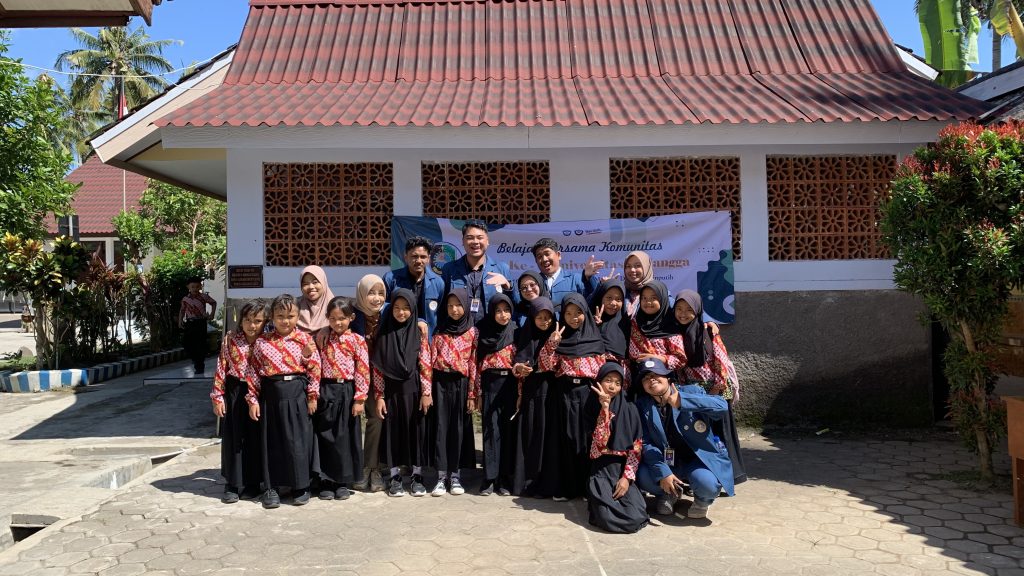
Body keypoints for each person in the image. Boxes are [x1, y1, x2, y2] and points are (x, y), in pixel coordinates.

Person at [245, 294, 321, 509]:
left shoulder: (305, 339)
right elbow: (253, 372)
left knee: (298, 440)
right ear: (272, 317)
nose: (285, 321)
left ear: (297, 316)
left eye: (290, 316)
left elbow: (315, 369)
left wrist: (312, 396)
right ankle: (272, 487)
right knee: (272, 441)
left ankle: (300, 486)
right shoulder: (262, 342)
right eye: (280, 316)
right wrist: (252, 399)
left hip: (297, 393)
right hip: (270, 395)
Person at [634, 358, 734, 520]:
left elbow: (721, 407)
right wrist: (663, 473)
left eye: (655, 374)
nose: (651, 379)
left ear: (668, 378)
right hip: (670, 460)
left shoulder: (692, 392)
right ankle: (670, 493)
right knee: (644, 475)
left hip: (699, 460)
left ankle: (702, 500)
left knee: (707, 484)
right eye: (645, 378)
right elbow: (646, 442)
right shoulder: (642, 405)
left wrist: (683, 401)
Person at [537, 292, 606, 501]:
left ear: (585, 313)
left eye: (578, 313)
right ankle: (567, 487)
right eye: (568, 313)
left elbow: (603, 372)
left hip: (589, 395)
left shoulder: (596, 341)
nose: (574, 317)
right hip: (565, 394)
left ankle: (587, 487)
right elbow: (545, 366)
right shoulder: (560, 341)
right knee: (566, 439)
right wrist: (552, 344)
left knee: (586, 440)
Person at [674, 291, 746, 485]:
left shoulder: (708, 332)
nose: (683, 314)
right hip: (692, 395)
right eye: (679, 309)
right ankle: (701, 478)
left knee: (720, 437)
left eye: (689, 310)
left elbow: (721, 362)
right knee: (700, 437)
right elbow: (679, 366)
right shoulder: (676, 334)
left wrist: (715, 390)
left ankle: (727, 477)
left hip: (715, 393)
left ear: (698, 311)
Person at [372, 289, 433, 498]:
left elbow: (425, 364)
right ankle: (395, 476)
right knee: (393, 434)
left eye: (406, 308)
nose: (401, 312)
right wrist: (379, 396)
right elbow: (378, 368)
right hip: (391, 394)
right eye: (397, 308)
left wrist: (427, 392)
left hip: (414, 391)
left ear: (413, 310)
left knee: (416, 433)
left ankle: (417, 476)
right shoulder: (383, 333)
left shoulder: (418, 334)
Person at [211, 299, 266, 504]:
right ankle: (232, 483)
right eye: (248, 320)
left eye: (258, 320)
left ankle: (253, 483)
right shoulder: (232, 340)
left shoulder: (268, 341)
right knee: (234, 436)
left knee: (255, 437)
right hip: (235, 390)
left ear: (265, 321)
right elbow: (221, 367)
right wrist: (217, 396)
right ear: (241, 321)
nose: (253, 325)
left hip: (260, 394)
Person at [315, 296, 369, 501]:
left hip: (347, 390)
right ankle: (326, 480)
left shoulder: (357, 341)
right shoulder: (323, 338)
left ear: (351, 318)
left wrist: (360, 399)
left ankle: (342, 481)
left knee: (344, 437)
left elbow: (363, 370)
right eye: (333, 318)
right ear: (327, 318)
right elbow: (314, 363)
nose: (338, 323)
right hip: (325, 389)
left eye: (343, 318)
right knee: (326, 435)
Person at [585, 362, 648, 534]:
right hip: (601, 470)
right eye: (608, 380)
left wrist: (627, 478)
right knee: (606, 517)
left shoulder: (630, 409)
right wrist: (604, 410)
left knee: (636, 514)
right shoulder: (591, 407)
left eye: (618, 383)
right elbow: (598, 446)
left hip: (622, 470)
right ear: (599, 381)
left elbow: (636, 448)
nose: (612, 386)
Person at [429, 288, 478, 496]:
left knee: (458, 428)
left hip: (461, 382)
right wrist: (427, 390)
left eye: (458, 305)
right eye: (450, 306)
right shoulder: (439, 330)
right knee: (441, 427)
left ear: (466, 306)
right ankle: (441, 476)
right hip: (440, 382)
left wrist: (472, 394)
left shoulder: (472, 332)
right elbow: (430, 361)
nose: (454, 310)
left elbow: (474, 363)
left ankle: (455, 475)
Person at [511, 296, 558, 497]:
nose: (544, 321)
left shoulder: (557, 338)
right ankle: (527, 482)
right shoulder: (525, 335)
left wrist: (554, 345)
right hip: (530, 392)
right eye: (540, 317)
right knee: (530, 435)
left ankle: (545, 483)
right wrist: (519, 368)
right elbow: (517, 363)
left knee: (547, 437)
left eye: (548, 317)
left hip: (550, 392)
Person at [475, 293, 517, 496]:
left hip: (509, 384)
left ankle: (504, 479)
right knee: (491, 431)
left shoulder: (516, 330)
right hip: (489, 384)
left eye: (506, 310)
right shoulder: (482, 331)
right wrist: (478, 393)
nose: (503, 315)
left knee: (508, 431)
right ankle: (489, 478)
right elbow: (475, 364)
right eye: (498, 311)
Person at [352, 274, 388, 493]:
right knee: (352, 422)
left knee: (376, 418)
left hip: (379, 378)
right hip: (351, 377)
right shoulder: (351, 314)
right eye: (371, 293)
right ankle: (354, 467)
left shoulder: (389, 314)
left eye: (381, 293)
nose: (376, 298)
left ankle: (372, 467)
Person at [441, 220, 513, 323]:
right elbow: (442, 304)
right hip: (459, 332)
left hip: (490, 334)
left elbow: (515, 304)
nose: (475, 242)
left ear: (487, 241)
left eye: (480, 238)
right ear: (462, 241)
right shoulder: (449, 269)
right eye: (470, 238)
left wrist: (507, 286)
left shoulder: (502, 269)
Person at [628, 280, 688, 393]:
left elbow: (681, 359)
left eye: (653, 298)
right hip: (642, 381)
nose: (648, 302)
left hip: (667, 384)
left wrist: (659, 358)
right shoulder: (636, 322)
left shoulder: (671, 325)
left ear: (662, 299)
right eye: (644, 298)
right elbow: (634, 354)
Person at [383, 236, 445, 336]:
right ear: (406, 257)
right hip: (397, 335)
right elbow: (383, 307)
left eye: (423, 257)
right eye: (414, 256)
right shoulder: (391, 279)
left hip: (427, 340)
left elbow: (441, 313)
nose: (419, 261)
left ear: (429, 258)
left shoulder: (438, 283)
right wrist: (415, 320)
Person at [530, 238, 604, 307]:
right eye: (539, 256)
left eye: (547, 254)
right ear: (536, 261)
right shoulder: (532, 284)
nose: (544, 259)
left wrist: (589, 278)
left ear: (558, 255)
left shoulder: (576, 279)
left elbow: (593, 301)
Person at [591, 279, 631, 385]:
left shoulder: (626, 323)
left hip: (619, 377)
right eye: (609, 298)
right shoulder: (590, 322)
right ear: (601, 298)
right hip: (596, 374)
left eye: (618, 299)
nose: (613, 303)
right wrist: (595, 326)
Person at [178, 276, 216, 375]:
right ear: (188, 287)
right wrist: (180, 320)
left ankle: (199, 366)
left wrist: (212, 314)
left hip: (201, 322)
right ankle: (195, 359)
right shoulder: (185, 299)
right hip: (190, 323)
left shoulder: (203, 297)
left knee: (200, 343)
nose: (195, 289)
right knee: (187, 343)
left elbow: (213, 303)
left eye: (197, 287)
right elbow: (182, 310)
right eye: (192, 287)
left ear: (200, 287)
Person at [296, 265, 334, 334]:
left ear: (323, 283)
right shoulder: (294, 306)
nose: (311, 287)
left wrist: (329, 328)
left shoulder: (335, 307)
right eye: (305, 284)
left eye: (315, 282)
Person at [622, 251, 653, 317]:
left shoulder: (658, 291)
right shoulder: (619, 290)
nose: (632, 270)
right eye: (628, 266)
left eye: (638, 266)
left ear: (646, 267)